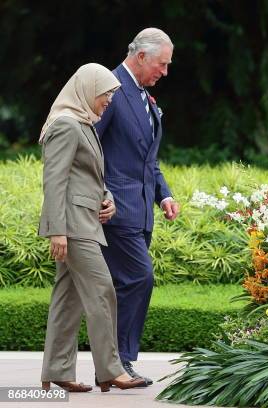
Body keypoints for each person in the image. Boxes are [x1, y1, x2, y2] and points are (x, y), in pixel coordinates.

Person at [38, 63, 146, 392]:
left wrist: (108, 198)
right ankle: (111, 370)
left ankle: (58, 370)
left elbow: (89, 175)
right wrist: (57, 230)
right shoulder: (67, 125)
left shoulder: (84, 124)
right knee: (103, 290)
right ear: (87, 89)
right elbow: (54, 181)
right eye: (106, 94)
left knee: (67, 299)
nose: (109, 100)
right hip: (72, 225)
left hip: (84, 221)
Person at [95, 28, 180, 385]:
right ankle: (120, 364)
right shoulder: (110, 89)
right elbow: (90, 148)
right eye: (162, 64)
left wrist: (164, 194)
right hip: (116, 211)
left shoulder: (145, 96)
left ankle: (110, 367)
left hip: (142, 211)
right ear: (142, 56)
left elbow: (149, 160)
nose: (165, 71)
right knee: (140, 278)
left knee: (124, 284)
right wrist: (99, 194)